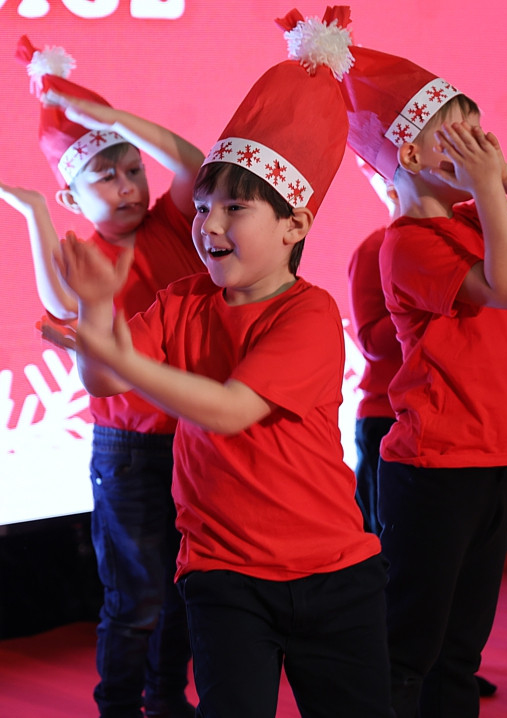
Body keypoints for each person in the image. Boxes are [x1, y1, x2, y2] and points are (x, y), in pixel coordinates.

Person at [53, 8, 391, 717]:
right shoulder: (182, 300)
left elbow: (231, 409)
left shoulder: (308, 312)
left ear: (294, 224)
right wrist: (93, 318)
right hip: (223, 574)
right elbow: (104, 381)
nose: (207, 225)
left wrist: (106, 340)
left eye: (233, 209)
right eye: (203, 205)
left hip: (334, 572)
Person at [341, 42, 507, 718]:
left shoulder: (475, 221)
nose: (481, 150)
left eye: (482, 137)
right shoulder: (410, 241)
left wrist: (498, 177)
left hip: (493, 458)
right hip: (436, 466)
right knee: (409, 646)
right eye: (462, 138)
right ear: (413, 158)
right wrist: (487, 188)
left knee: (460, 650)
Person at [0, 37, 205, 718]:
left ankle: (169, 700)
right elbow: (58, 304)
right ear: (69, 192)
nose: (129, 186)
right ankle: (119, 705)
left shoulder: (177, 222)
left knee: (189, 584)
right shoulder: (82, 253)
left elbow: (192, 163)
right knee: (136, 595)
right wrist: (35, 217)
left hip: (199, 437)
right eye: (107, 177)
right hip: (133, 449)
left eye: (132, 169)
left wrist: (117, 120)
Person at [347, 158, 400, 536]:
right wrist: (423, 301)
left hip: (450, 423)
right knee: (388, 549)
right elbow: (370, 341)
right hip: (387, 416)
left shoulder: (466, 240)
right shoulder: (376, 249)